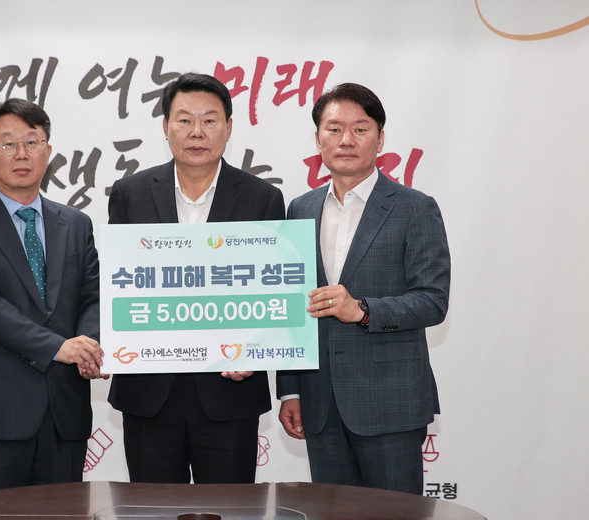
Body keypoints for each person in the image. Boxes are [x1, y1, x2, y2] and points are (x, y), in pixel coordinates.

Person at [107, 72, 285, 484]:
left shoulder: (263, 199)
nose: (197, 132)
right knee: (150, 510)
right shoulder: (130, 193)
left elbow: (276, 293)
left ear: (229, 127)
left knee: (231, 509)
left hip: (230, 393)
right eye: (184, 120)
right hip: (149, 393)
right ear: (165, 126)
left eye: (210, 120)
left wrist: (256, 351)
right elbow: (116, 284)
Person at [276, 83, 450, 495]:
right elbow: (290, 307)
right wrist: (290, 389)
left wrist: (362, 310)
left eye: (360, 129)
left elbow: (432, 300)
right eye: (334, 129)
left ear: (380, 138)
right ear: (318, 138)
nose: (346, 140)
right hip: (319, 403)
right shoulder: (299, 209)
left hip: (389, 402)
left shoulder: (414, 207)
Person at [0, 98, 106, 495]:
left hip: (65, 411)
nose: (21, 154)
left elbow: (94, 296)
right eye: (8, 144)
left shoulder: (77, 224)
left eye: (32, 142)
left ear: (48, 151)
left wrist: (89, 347)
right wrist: (60, 347)